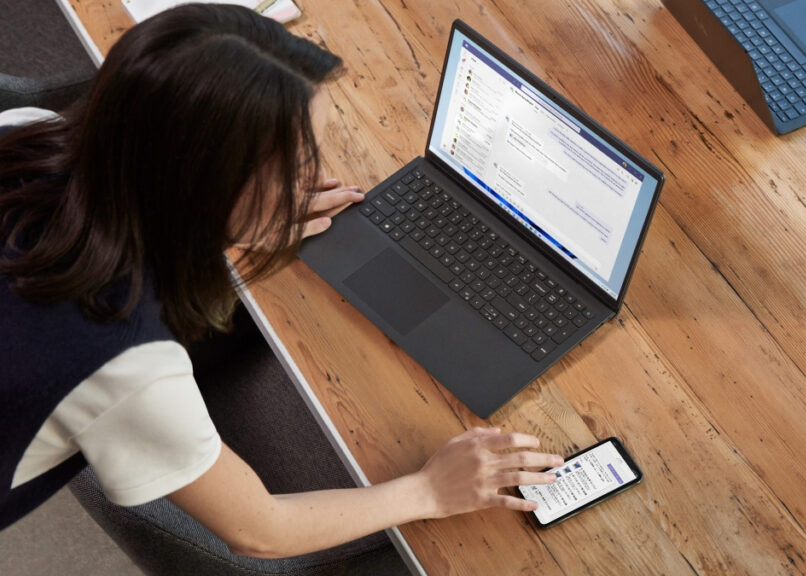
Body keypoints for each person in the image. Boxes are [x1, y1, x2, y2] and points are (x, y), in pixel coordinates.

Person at [0, 3, 562, 559]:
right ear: (210, 183)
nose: (315, 177)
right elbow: (259, 530)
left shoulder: (25, 131)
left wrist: (234, 222)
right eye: (296, 168)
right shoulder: (125, 365)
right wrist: (428, 491)